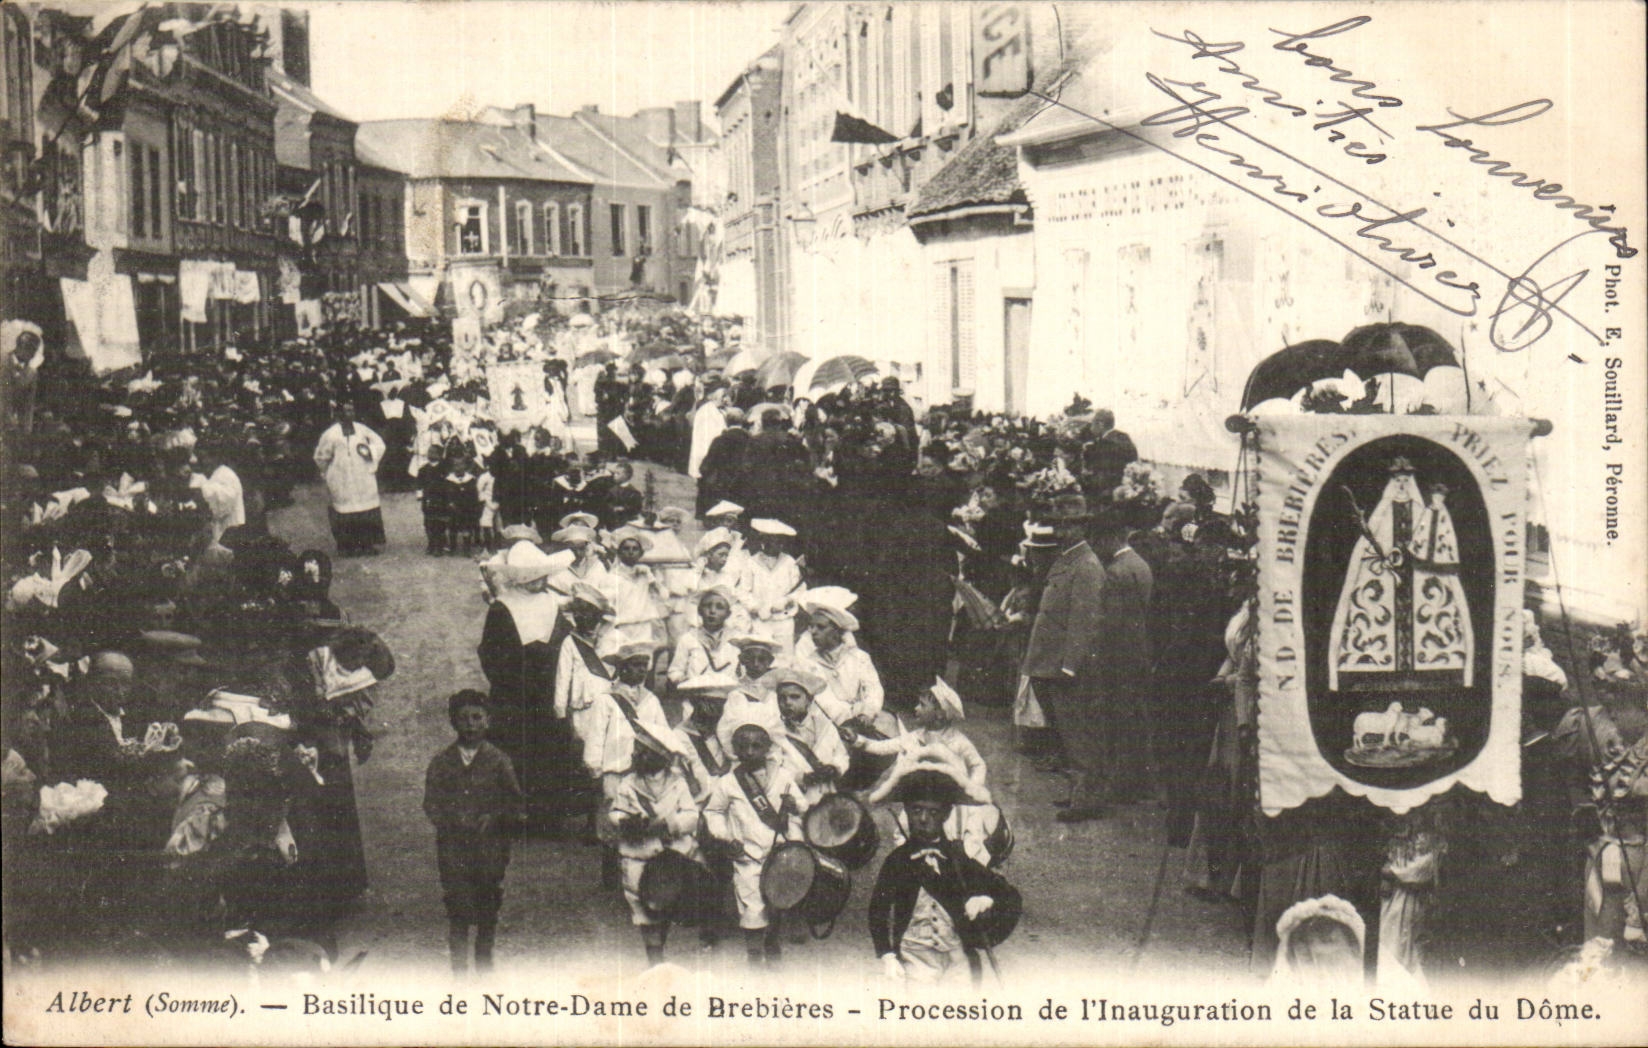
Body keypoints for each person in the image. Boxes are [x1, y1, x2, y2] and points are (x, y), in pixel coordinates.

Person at [868, 768, 1018, 986]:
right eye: (916, 810)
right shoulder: (897, 861)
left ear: (946, 814)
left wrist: (985, 899)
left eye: (933, 812)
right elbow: (877, 911)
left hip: (956, 956)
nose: (923, 819)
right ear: (906, 812)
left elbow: (1006, 893)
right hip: (914, 956)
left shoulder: (958, 857)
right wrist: (887, 955)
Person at [423, 690, 524, 976]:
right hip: (454, 850)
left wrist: (494, 817)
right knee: (457, 905)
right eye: (463, 719)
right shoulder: (442, 762)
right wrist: (450, 821)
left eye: (477, 718)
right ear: (453, 723)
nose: (470, 724)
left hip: (490, 849)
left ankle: (484, 964)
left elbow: (515, 802)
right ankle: (458, 971)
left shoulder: (499, 761)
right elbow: (431, 802)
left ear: (488, 721)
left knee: (487, 904)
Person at [1021, 494, 1109, 823]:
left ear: (1083, 527)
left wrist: (1070, 666)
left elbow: (1083, 622)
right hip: (1050, 662)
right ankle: (1079, 792)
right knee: (1067, 734)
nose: (1063, 530)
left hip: (1067, 667)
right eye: (1059, 524)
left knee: (1079, 734)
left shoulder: (1086, 566)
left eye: (1070, 524)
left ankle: (1087, 797)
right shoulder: (1067, 560)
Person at [702, 723, 808, 969]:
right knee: (752, 907)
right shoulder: (728, 782)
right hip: (747, 855)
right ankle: (754, 957)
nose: (749, 752)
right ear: (734, 749)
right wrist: (727, 837)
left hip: (780, 852)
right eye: (743, 746)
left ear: (768, 748)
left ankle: (772, 943)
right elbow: (713, 812)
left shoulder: (782, 776)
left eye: (756, 746)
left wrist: (794, 806)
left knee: (778, 901)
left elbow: (803, 808)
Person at [608, 734, 702, 966]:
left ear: (663, 757)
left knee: (665, 907)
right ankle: (655, 959)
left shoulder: (678, 783)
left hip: (671, 856)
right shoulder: (628, 783)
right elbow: (616, 810)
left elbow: (691, 815)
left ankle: (658, 949)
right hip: (639, 853)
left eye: (645, 751)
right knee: (644, 910)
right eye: (637, 750)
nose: (637, 755)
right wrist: (624, 821)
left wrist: (671, 824)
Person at [1093, 509, 1154, 802]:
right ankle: (1136, 782)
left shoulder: (1116, 572)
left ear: (1109, 539)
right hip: (1139, 651)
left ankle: (1121, 784)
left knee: (1118, 721)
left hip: (1119, 657)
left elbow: (1110, 624)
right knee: (1134, 720)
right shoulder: (1140, 564)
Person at [768, 664, 850, 806]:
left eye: (795, 697)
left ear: (809, 700)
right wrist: (802, 778)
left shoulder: (825, 726)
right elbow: (774, 769)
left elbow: (841, 755)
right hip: (796, 800)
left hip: (829, 796)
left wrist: (835, 768)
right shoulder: (774, 732)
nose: (787, 702)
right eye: (782, 698)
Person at [796, 599, 885, 729]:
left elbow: (873, 688)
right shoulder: (809, 663)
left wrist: (868, 713)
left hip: (864, 717)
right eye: (811, 626)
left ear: (836, 631)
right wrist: (851, 717)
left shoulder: (859, 657)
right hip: (831, 722)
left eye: (821, 627)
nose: (813, 632)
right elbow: (824, 700)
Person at [313, 402, 387, 555]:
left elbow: (379, 444)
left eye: (352, 410)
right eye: (346, 410)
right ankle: (348, 546)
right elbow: (321, 456)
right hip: (341, 478)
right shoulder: (330, 434)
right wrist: (328, 473)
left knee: (365, 509)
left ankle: (366, 545)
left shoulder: (362, 430)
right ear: (339, 413)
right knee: (344, 510)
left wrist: (370, 454)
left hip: (362, 476)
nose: (350, 413)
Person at [744, 519, 803, 654]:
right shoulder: (751, 562)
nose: (775, 544)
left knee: (784, 657)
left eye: (779, 541)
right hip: (760, 621)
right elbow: (743, 591)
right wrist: (756, 607)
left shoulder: (789, 562)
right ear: (763, 541)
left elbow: (799, 589)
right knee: (761, 655)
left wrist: (786, 601)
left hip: (784, 620)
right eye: (771, 540)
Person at [720, 635, 786, 749]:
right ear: (742, 659)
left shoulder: (779, 690)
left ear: (770, 661)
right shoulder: (732, 688)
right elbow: (725, 726)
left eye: (761, 659)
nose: (756, 664)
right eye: (751, 658)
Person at [668, 586, 741, 684]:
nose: (712, 611)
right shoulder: (688, 638)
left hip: (728, 695)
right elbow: (675, 670)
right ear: (699, 610)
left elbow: (744, 672)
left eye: (719, 607)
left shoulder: (737, 639)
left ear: (728, 614)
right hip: (697, 694)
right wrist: (684, 680)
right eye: (707, 606)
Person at [695, 407, 750, 518]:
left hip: (721, 486)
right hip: (742, 486)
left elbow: (706, 465)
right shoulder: (750, 440)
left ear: (726, 421)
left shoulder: (720, 440)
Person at [189, 441, 245, 544]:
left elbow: (223, 505)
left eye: (203, 458)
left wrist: (199, 491)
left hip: (230, 532)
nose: (200, 462)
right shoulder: (211, 476)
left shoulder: (226, 475)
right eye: (198, 459)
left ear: (215, 457)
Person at [687, 378, 728, 483]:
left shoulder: (716, 411)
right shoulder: (707, 412)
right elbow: (710, 437)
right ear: (714, 396)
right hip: (706, 457)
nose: (726, 399)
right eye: (723, 396)